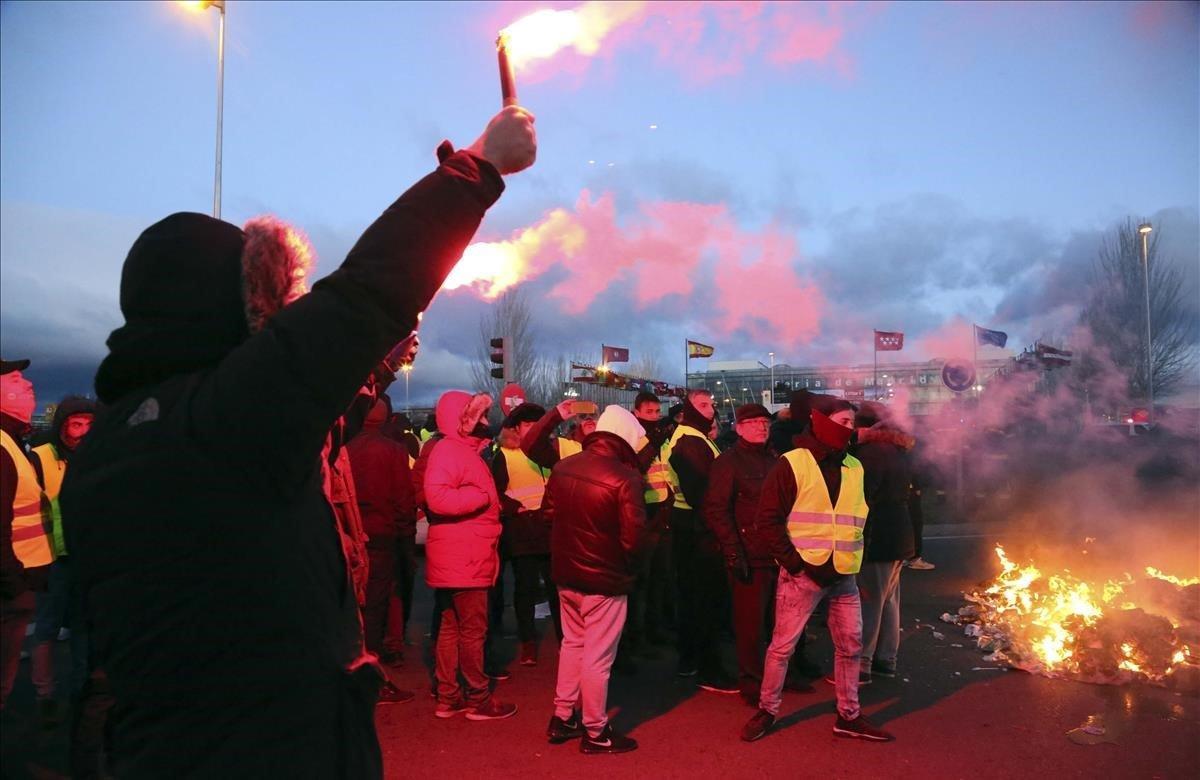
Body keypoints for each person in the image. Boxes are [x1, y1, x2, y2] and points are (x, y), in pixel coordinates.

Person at [60, 106, 536, 776]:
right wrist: (477, 169)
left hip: (173, 744)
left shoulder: (123, 438)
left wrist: (370, 369)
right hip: (262, 751)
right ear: (238, 301)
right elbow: (366, 293)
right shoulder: (218, 422)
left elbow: (305, 435)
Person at [741, 392, 894, 743]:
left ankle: (848, 715)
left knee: (851, 646)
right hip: (802, 575)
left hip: (843, 575)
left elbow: (860, 519)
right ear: (822, 422)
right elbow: (768, 521)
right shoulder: (792, 463)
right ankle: (767, 709)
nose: (850, 429)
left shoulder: (854, 465)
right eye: (843, 422)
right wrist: (795, 565)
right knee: (782, 647)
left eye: (851, 424)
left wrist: (855, 563)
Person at [544, 405, 647, 754]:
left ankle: (562, 716)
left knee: (573, 644)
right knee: (598, 657)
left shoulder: (563, 467)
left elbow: (548, 515)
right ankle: (595, 730)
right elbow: (633, 539)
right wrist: (630, 571)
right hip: (605, 579)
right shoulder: (625, 478)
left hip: (567, 575)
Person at [703, 403, 814, 705]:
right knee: (750, 625)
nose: (761, 427)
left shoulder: (776, 459)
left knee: (782, 622)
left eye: (764, 422)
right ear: (738, 428)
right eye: (752, 423)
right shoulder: (728, 463)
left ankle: (783, 675)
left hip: (780, 553)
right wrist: (733, 552)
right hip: (749, 556)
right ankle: (751, 683)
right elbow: (716, 510)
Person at [423, 389, 516, 721]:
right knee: (472, 629)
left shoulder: (457, 451)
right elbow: (437, 498)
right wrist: (479, 498)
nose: (486, 422)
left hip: (459, 555)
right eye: (479, 417)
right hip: (466, 557)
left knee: (451, 627)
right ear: (464, 421)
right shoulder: (451, 452)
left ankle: (448, 697)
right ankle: (477, 697)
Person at [28, 395, 96, 724]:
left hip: (85, 557)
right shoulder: (41, 458)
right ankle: (45, 696)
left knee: (84, 628)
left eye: (88, 424)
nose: (82, 431)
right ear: (62, 426)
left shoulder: (97, 457)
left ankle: (82, 693)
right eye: (76, 424)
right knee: (47, 628)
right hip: (51, 557)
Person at [346, 397, 416, 703]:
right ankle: (370, 672)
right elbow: (403, 500)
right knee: (378, 602)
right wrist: (406, 537)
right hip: (383, 535)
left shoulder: (345, 449)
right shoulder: (393, 451)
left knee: (355, 602)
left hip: (351, 533)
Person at [666, 388, 736, 692]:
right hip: (697, 529)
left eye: (712, 404)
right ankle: (709, 668)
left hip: (693, 525)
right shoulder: (690, 441)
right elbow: (702, 494)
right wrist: (720, 528)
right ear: (689, 408)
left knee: (694, 598)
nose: (711, 409)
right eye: (703, 405)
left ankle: (691, 659)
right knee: (702, 599)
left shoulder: (696, 436)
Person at [492, 402, 566, 667]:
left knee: (558, 590)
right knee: (525, 589)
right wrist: (515, 507)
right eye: (527, 425)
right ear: (516, 429)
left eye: (537, 424)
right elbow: (496, 491)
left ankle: (564, 640)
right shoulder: (504, 454)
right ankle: (528, 643)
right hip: (522, 530)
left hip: (549, 529)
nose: (533, 429)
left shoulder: (550, 451)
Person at [1, 357, 53, 713]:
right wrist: (14, 585)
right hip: (9, 591)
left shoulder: (11, 442)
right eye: (16, 378)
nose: (28, 384)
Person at [853, 402, 917, 682]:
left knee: (870, 600)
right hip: (900, 534)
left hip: (878, 534)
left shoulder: (871, 454)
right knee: (889, 599)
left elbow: (865, 496)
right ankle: (886, 658)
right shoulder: (899, 452)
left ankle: (862, 665)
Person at [615, 391, 674, 670]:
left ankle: (653, 629)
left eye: (657, 411)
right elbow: (635, 466)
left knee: (659, 578)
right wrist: (654, 440)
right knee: (640, 582)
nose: (654, 416)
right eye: (649, 412)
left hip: (662, 512)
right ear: (636, 413)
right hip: (643, 514)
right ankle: (635, 639)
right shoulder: (636, 437)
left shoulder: (662, 437)